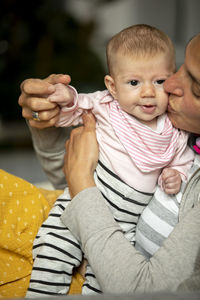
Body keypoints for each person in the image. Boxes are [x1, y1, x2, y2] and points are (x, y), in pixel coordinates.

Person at [18, 32, 200, 292]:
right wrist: (52, 105)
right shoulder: (108, 104)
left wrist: (175, 174)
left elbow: (180, 160)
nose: (164, 88)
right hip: (77, 202)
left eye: (160, 80)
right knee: (52, 249)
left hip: (124, 226)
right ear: (112, 86)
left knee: (99, 284)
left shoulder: (176, 133)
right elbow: (77, 106)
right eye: (180, 70)